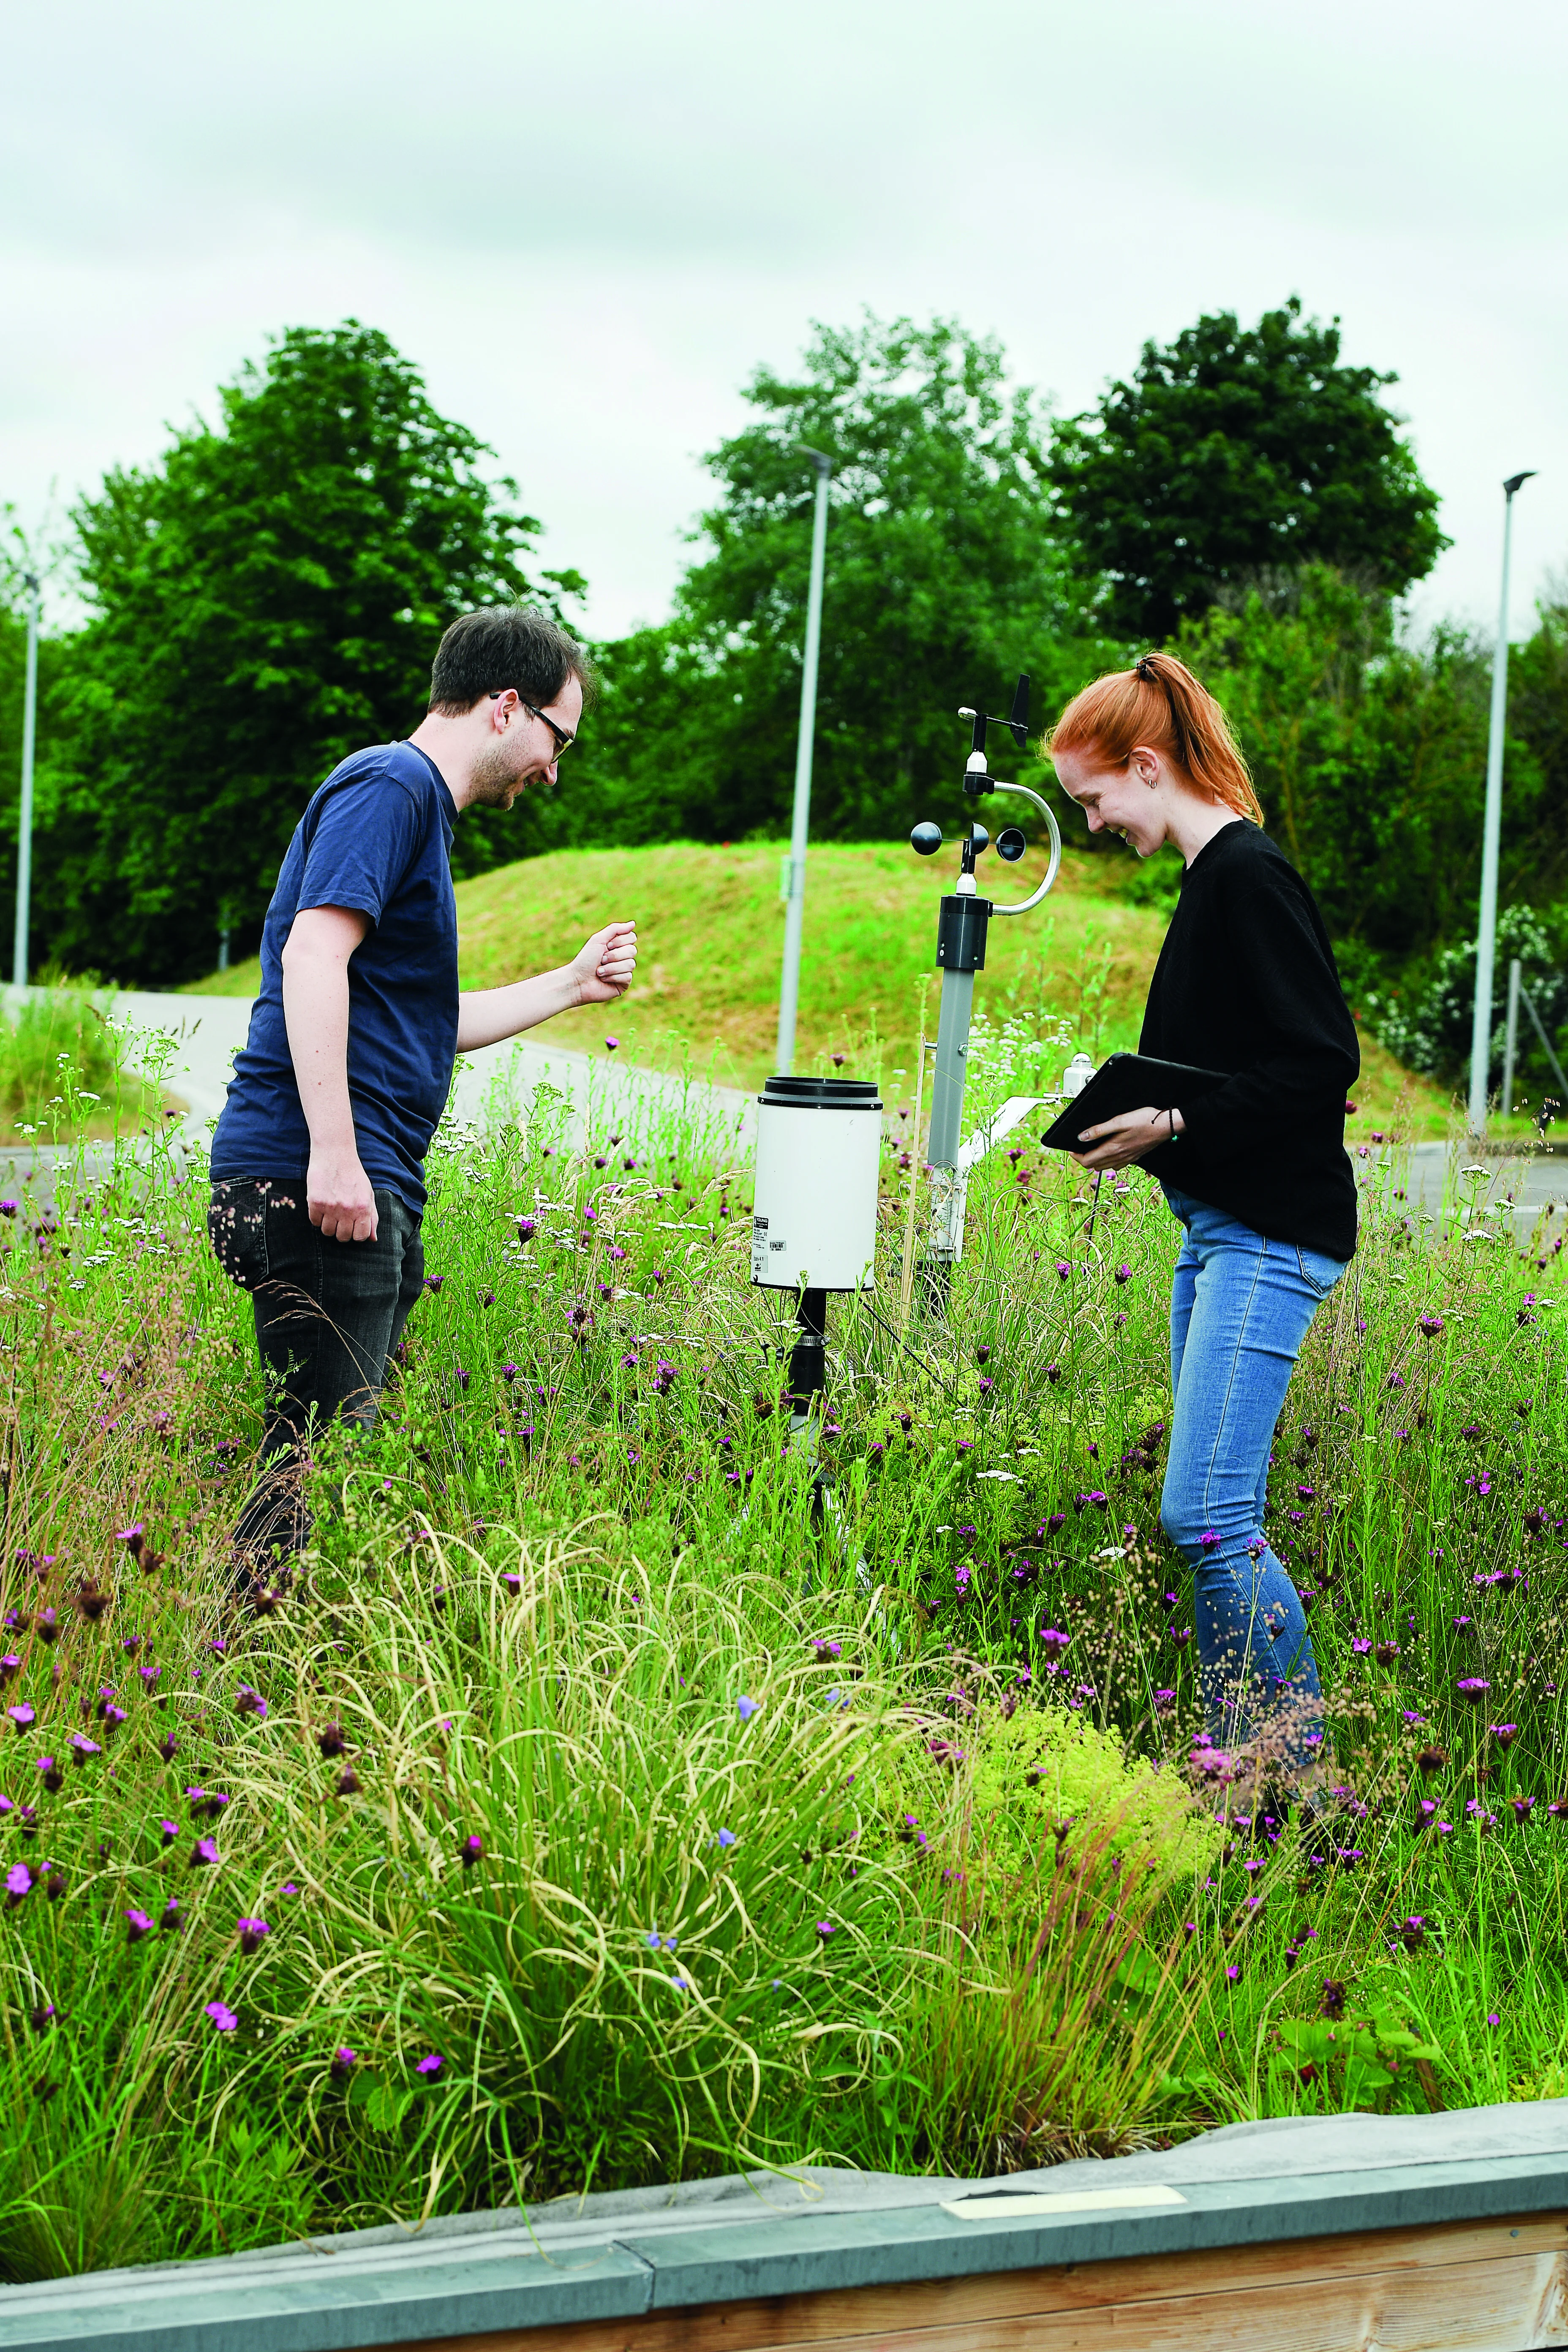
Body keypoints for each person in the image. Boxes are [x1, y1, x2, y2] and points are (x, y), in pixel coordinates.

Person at [208, 605, 636, 1581]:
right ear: (503, 706)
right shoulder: (390, 784)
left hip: (353, 1175)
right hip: (312, 1174)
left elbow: (422, 1023)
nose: (553, 770)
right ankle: (243, 1689)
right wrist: (335, 1153)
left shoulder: (412, 814)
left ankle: (281, 1680)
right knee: (313, 1474)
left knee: (335, 1464)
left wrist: (571, 985)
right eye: (556, 741)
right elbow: (313, 952)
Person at [1046, 651, 1358, 1795]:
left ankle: (1298, 1785)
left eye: (1094, 800)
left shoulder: (1247, 877)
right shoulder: (1211, 880)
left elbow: (1322, 1063)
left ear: (1145, 763)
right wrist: (1151, 1116)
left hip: (1270, 1235)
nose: (1091, 825)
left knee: (1209, 1515)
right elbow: (1241, 1064)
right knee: (1211, 1520)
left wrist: (1171, 1120)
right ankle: (1250, 1773)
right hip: (1221, 1228)